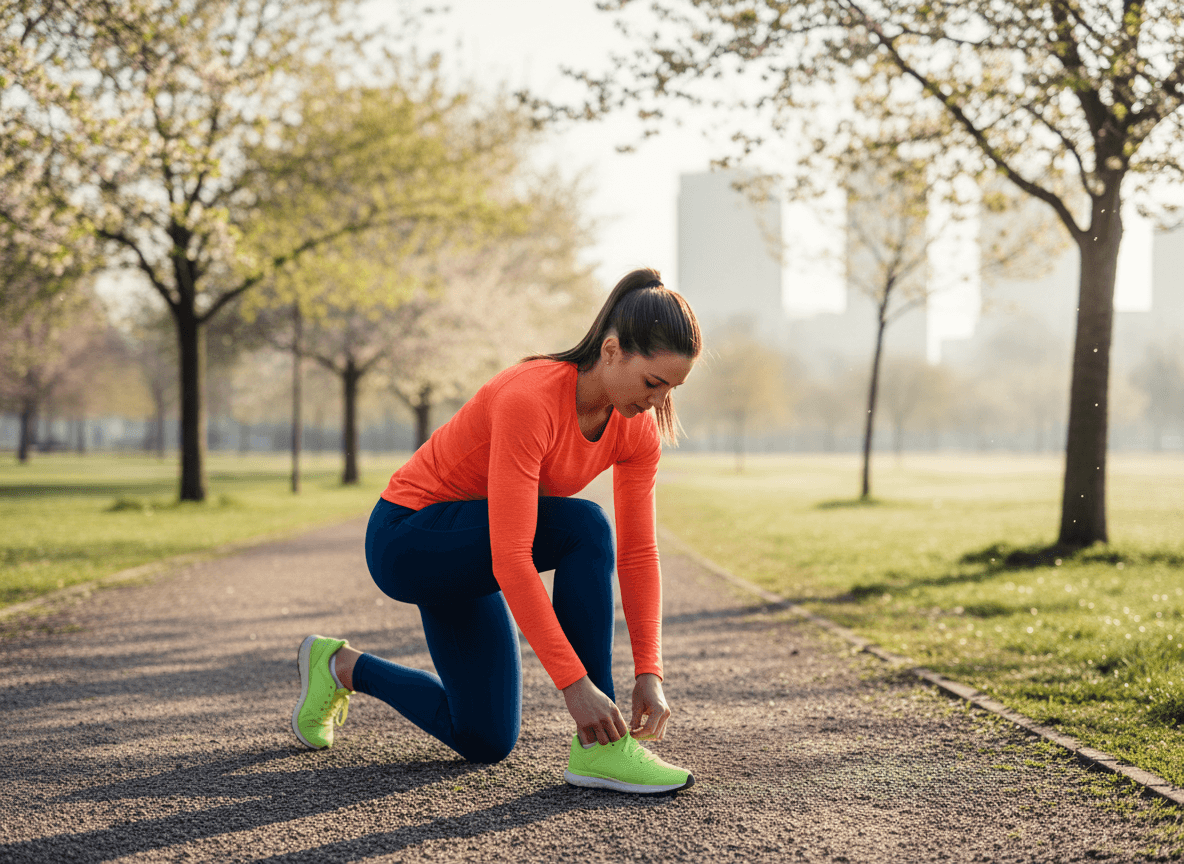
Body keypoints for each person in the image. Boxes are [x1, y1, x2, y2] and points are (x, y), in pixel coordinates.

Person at [291, 267, 702, 795]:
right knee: (584, 526)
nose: (658, 401)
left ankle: (340, 666)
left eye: (672, 388)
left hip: (471, 549)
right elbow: (512, 557)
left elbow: (641, 552)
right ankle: (602, 749)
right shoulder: (529, 398)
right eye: (653, 383)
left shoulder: (636, 428)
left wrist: (650, 671)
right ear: (612, 350)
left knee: (484, 738)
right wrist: (576, 687)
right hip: (408, 538)